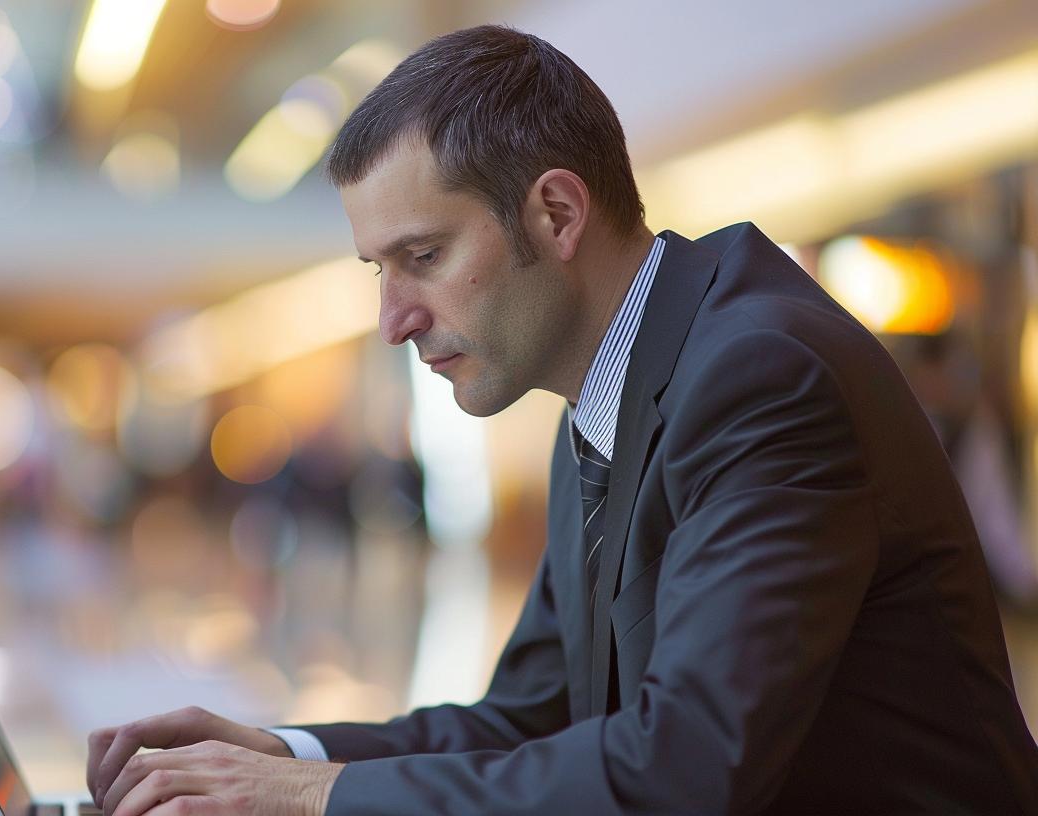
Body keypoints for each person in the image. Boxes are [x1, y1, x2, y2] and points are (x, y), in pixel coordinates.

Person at [85, 24, 1038, 815]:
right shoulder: (606, 395)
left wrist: (305, 798)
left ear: (555, 213)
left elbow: (687, 772)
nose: (393, 320)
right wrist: (275, 751)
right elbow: (537, 716)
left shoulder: (761, 377)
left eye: (423, 254)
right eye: (381, 271)